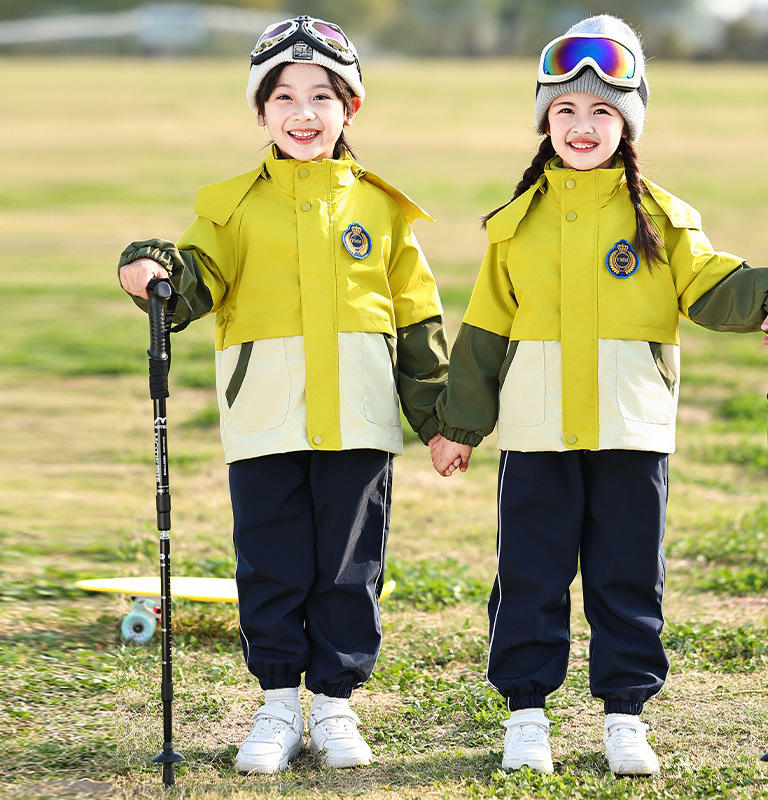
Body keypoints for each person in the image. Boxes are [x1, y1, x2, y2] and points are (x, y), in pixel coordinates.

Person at [430, 14, 768, 777]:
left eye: (603, 110)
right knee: (530, 575)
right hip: (535, 436)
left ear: (628, 125)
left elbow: (710, 284)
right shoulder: (515, 227)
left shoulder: (661, 218)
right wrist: (459, 426)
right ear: (543, 122)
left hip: (632, 432)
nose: (582, 124)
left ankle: (625, 715)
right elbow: (484, 333)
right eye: (564, 109)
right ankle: (526, 714)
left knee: (627, 574)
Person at [117, 14, 448, 774]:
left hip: (360, 424)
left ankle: (333, 706)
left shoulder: (384, 210)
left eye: (322, 96)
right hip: (263, 422)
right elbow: (190, 278)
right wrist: (149, 267)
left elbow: (420, 322)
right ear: (261, 113)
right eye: (284, 98)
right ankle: (274, 705)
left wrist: (437, 420)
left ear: (350, 109)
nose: (304, 113)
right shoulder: (231, 207)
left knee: (349, 567)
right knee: (269, 563)